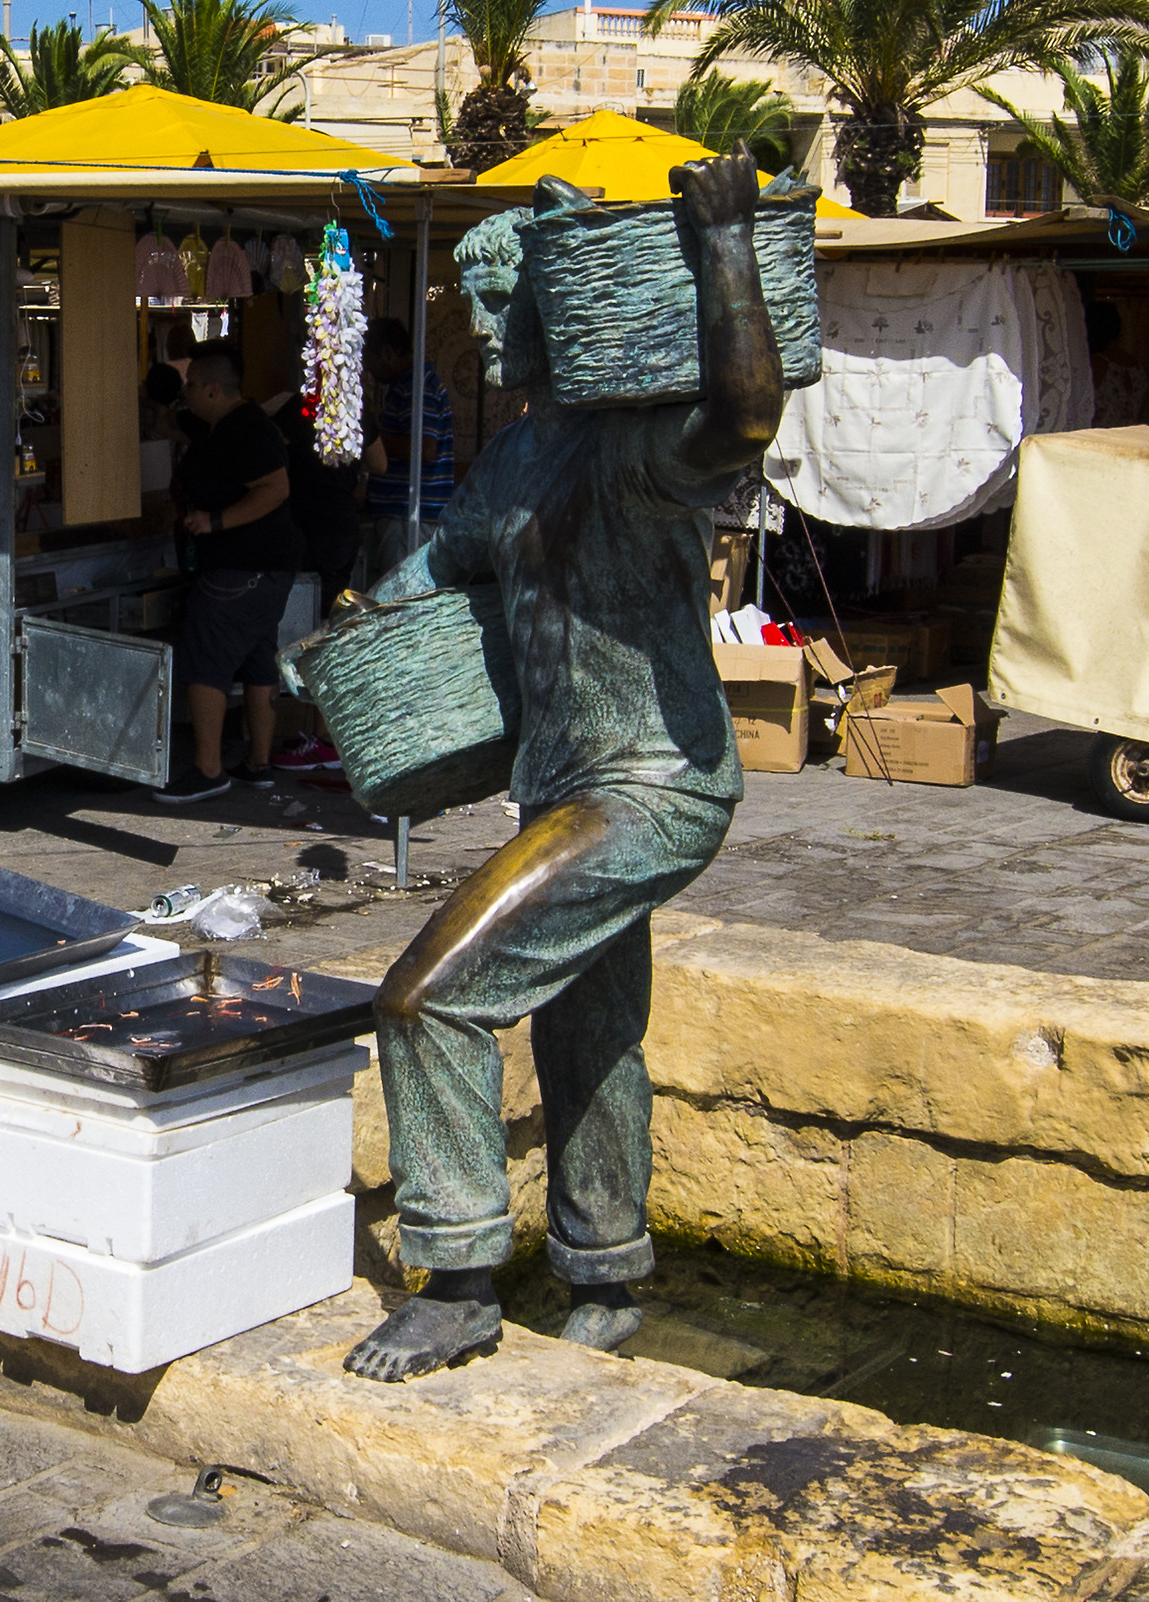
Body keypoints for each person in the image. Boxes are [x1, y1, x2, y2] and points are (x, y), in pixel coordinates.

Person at [342, 156, 783, 1383]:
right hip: (560, 784)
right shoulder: (513, 458)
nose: (483, 330)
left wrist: (728, 249)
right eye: (474, 308)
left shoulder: (636, 446)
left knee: (425, 998)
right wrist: (346, 629)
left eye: (502, 305)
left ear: (561, 304)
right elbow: (439, 572)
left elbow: (746, 417)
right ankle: (608, 1266)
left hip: (648, 787)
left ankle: (460, 1275)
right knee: (590, 1030)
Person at [156, 342, 300, 804]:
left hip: (243, 566)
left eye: (193, 385)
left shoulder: (247, 429)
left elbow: (275, 489)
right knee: (259, 659)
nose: (188, 393)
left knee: (207, 656)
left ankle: (208, 768)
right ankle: (257, 764)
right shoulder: (221, 426)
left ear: (215, 390)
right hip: (263, 566)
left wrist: (215, 521)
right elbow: (171, 425)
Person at [266, 382, 359, 772]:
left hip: (311, 529)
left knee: (318, 633)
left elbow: (272, 443)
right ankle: (321, 733)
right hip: (340, 527)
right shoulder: (353, 405)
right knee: (325, 626)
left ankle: (325, 737)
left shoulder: (293, 408)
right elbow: (380, 462)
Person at [361, 315, 456, 578]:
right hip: (405, 516)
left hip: (409, 519)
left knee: (400, 597)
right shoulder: (407, 386)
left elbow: (425, 449)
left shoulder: (417, 387)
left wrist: (372, 442)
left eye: (370, 364)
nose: (370, 373)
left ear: (388, 353)